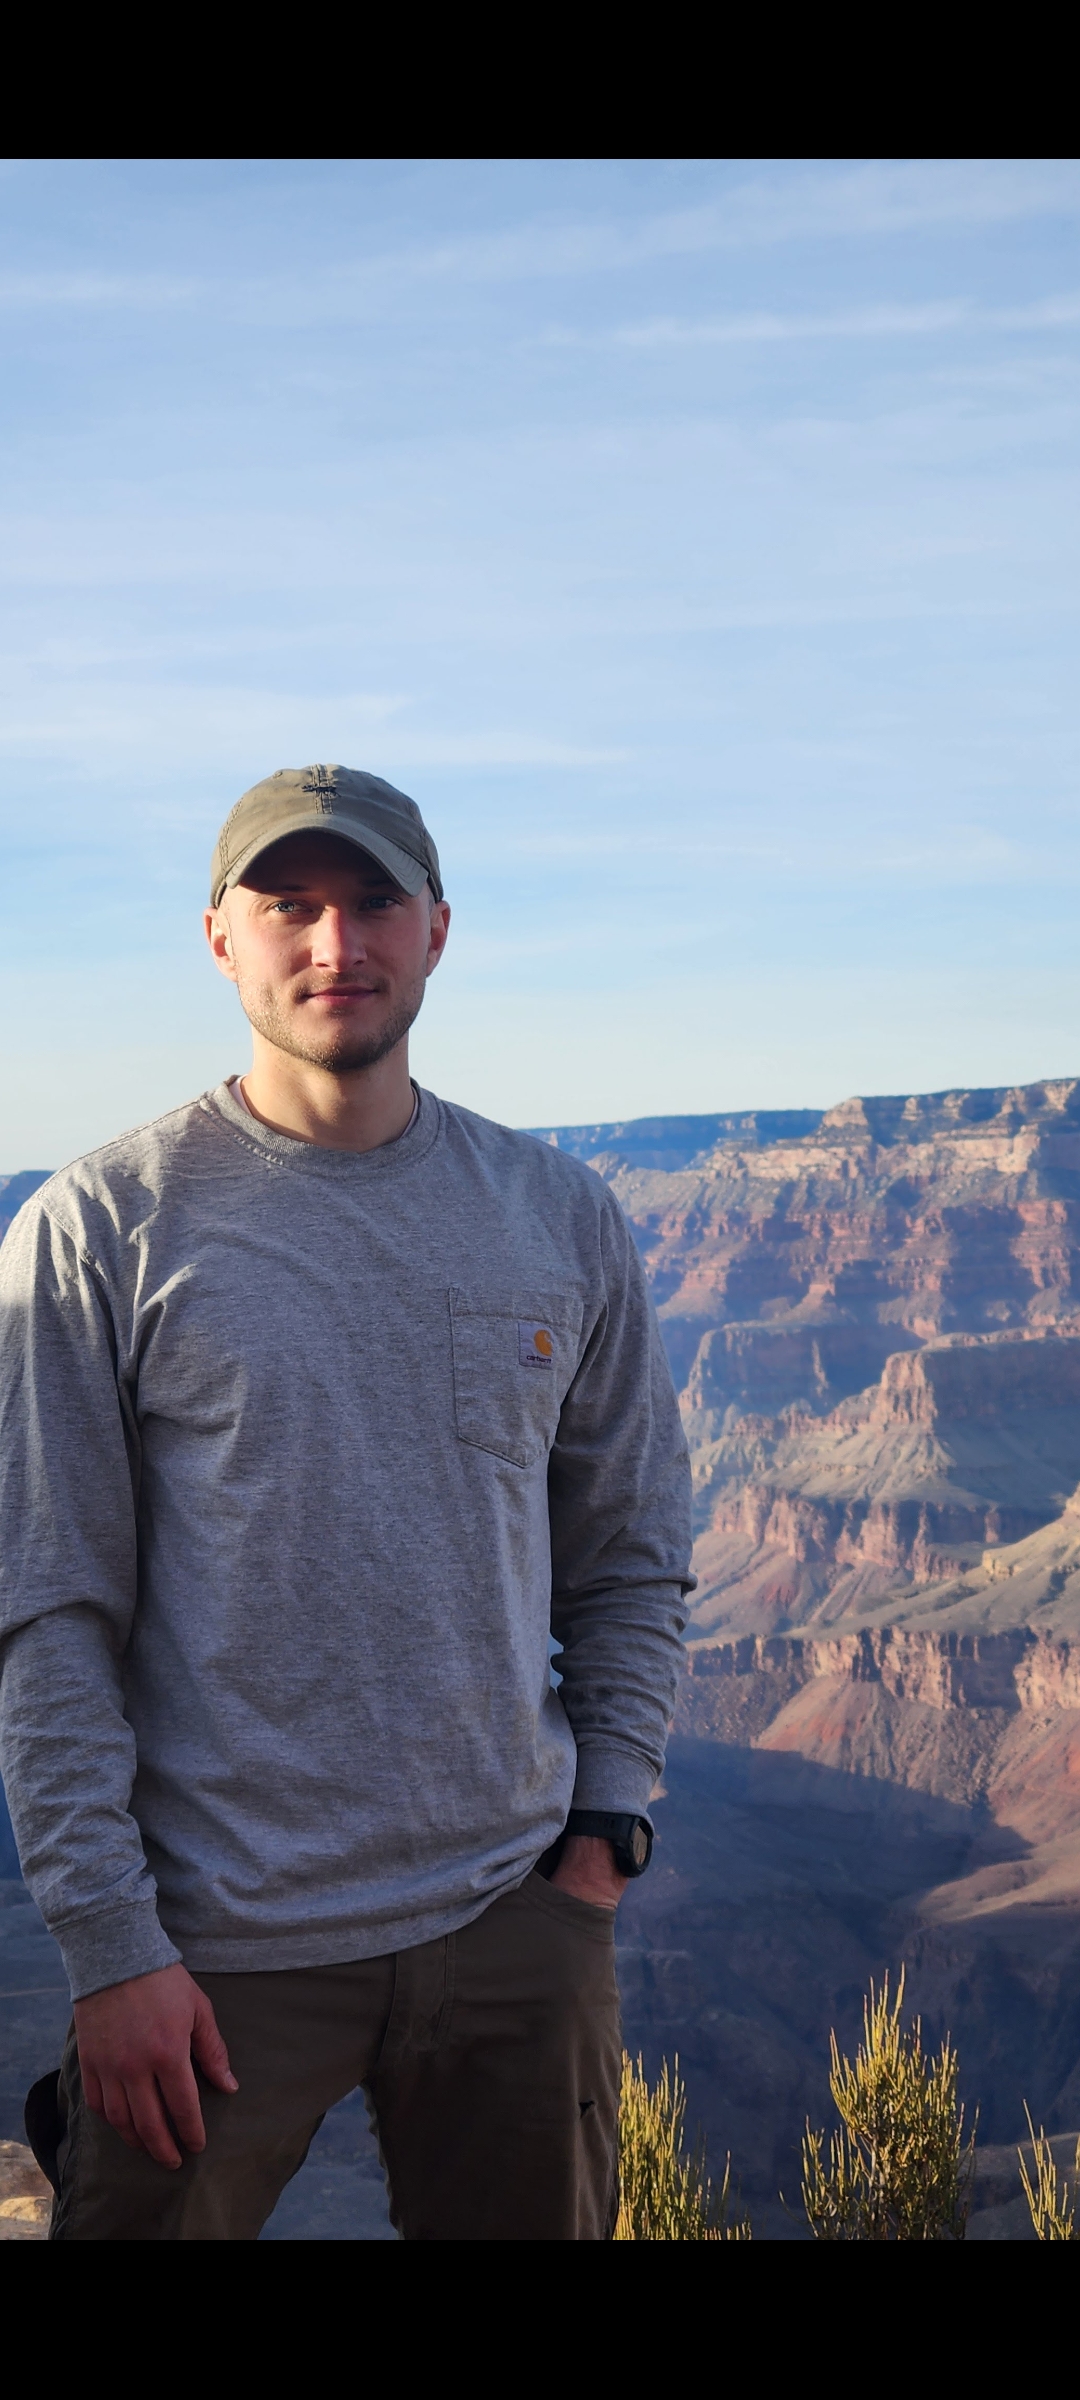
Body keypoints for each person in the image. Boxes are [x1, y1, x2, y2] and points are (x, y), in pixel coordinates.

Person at [0, 764, 693, 2242]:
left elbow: (631, 1554)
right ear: (219, 938)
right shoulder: (99, 1229)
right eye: (289, 906)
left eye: (375, 900)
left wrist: (603, 1836)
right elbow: (50, 1612)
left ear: (437, 928)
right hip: (214, 1950)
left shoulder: (559, 1216)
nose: (336, 944)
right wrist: (112, 1948)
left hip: (515, 1921)